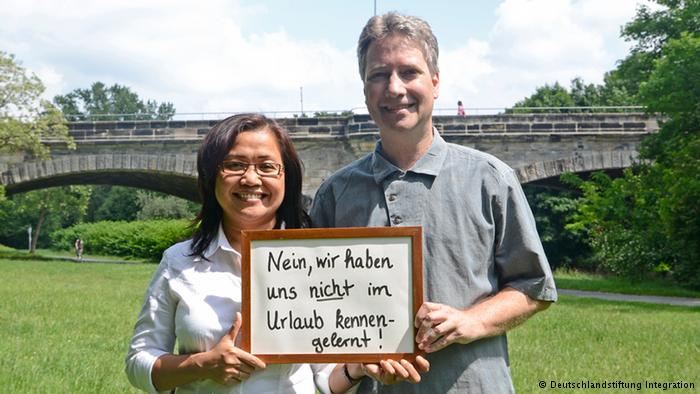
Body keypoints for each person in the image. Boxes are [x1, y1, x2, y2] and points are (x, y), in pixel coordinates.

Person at [310, 12, 557, 393]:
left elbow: (534, 286)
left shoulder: (490, 179)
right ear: (364, 91)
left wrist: (473, 320)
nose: (394, 88)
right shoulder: (335, 194)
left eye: (409, 72)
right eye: (378, 75)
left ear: (436, 82)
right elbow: (315, 309)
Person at [125, 113, 421, 394]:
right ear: (211, 177)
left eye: (266, 167)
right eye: (235, 165)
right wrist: (201, 364)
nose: (251, 179)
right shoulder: (178, 261)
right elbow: (139, 362)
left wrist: (358, 367)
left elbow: (326, 380)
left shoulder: (320, 261)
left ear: (285, 179)